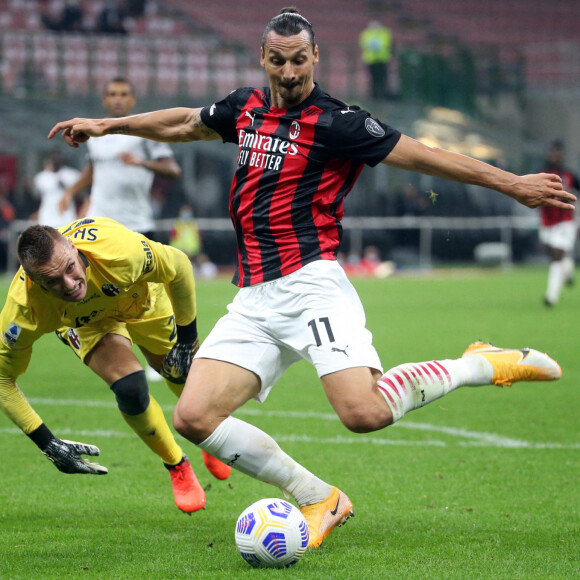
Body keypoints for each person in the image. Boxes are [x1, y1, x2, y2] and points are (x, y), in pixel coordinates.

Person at [48, 8, 575, 549]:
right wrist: (109, 125)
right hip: (254, 296)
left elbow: (425, 157)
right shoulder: (245, 108)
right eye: (279, 61)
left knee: (364, 413)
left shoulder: (339, 121)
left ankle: (476, 363)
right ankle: (319, 496)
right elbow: (184, 123)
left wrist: (513, 184)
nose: (290, 72)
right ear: (264, 59)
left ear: (315, 57)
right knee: (194, 416)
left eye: (300, 60)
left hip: (310, 284)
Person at [0, 218, 231, 514]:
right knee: (130, 389)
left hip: (141, 299)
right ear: (34, 282)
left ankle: (206, 432)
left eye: (70, 268)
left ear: (73, 248)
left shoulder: (118, 252)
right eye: (52, 282)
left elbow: (179, 265)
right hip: (91, 325)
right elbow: (4, 379)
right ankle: (176, 463)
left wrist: (187, 339)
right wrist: (48, 443)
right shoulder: (23, 310)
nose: (69, 285)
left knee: (179, 370)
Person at [59, 77, 182, 241]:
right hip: (99, 223)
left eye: (124, 94)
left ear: (132, 100)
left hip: (136, 224)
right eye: (112, 94)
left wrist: (142, 162)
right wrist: (70, 192)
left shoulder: (144, 132)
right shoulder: (94, 134)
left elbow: (173, 170)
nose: (118, 99)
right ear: (104, 100)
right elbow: (93, 169)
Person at [539, 140, 579, 306]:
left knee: (556, 256)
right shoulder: (541, 173)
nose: (554, 155)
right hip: (547, 222)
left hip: (566, 222)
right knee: (553, 254)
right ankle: (569, 267)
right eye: (551, 152)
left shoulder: (569, 175)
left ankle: (551, 297)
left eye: (557, 152)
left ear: (561, 154)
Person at [32, 151, 81, 228]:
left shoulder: (71, 174)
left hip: (66, 217)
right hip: (47, 217)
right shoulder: (42, 177)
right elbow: (36, 196)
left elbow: (79, 193)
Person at [359, 19, 393, 100]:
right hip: (371, 60)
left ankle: (382, 94)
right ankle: (374, 95)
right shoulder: (366, 33)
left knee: (382, 78)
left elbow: (388, 43)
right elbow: (363, 44)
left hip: (382, 59)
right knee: (373, 78)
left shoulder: (384, 33)